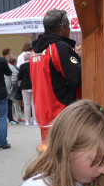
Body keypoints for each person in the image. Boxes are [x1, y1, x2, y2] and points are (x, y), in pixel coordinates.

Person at [31, 9, 82, 141]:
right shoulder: (59, 48)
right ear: (63, 27)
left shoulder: (35, 50)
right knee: (65, 156)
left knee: (51, 155)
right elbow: (77, 78)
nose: (70, 30)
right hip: (61, 113)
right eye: (69, 26)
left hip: (43, 112)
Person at [18, 41, 35, 125]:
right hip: (34, 86)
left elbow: (19, 77)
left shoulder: (22, 66)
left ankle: (27, 121)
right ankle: (36, 120)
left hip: (24, 86)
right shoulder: (34, 65)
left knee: (27, 104)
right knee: (33, 104)